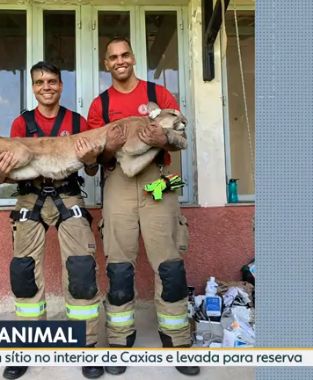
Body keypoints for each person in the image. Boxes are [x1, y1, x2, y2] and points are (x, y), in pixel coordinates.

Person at [87, 37, 200, 377]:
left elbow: (180, 138)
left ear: (133, 58)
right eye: (113, 57)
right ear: (106, 64)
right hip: (117, 182)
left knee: (169, 264)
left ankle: (178, 340)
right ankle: (121, 340)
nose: (120, 61)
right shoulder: (99, 106)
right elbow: (95, 158)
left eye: (125, 55)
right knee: (119, 266)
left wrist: (160, 140)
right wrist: (111, 147)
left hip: (159, 182)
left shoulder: (159, 94)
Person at [0, 61, 105, 380]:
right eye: (39, 82)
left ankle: (86, 344)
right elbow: (5, 174)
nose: (46, 87)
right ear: (33, 87)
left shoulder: (77, 122)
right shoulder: (20, 125)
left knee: (82, 270)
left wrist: (91, 159)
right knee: (23, 272)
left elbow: (93, 171)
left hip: (68, 195)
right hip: (30, 196)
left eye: (52, 81)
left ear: (61, 85)